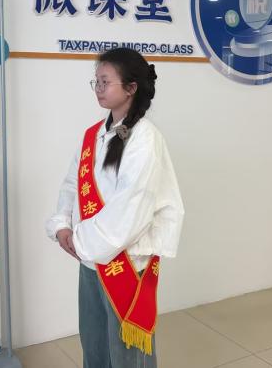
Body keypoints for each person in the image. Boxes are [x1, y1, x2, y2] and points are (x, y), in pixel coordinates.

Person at [46, 48, 184, 368]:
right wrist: (62, 225)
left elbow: (132, 208)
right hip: (90, 259)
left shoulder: (146, 139)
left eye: (105, 82)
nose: (98, 88)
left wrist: (80, 240)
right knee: (94, 343)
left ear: (131, 87)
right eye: (96, 81)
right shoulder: (93, 135)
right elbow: (71, 184)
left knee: (126, 353)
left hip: (125, 262)